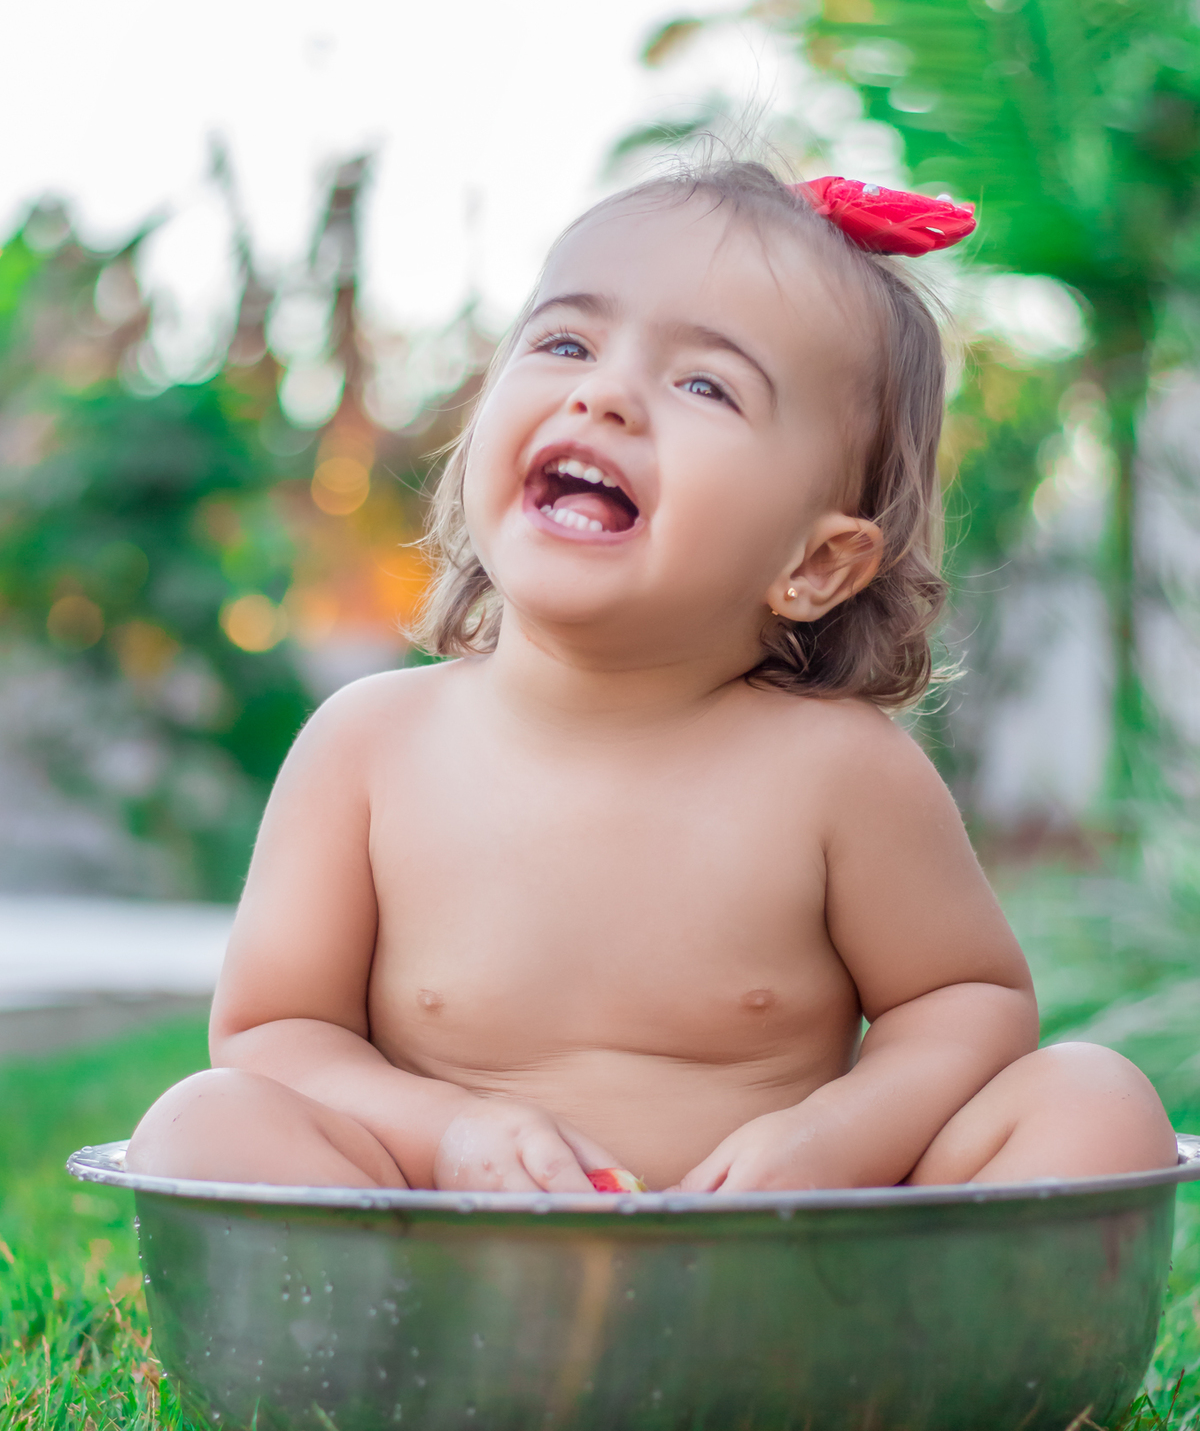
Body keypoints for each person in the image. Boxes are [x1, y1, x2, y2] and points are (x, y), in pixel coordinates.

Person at [127, 161, 1176, 1196]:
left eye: (705, 384)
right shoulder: (370, 746)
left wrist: (828, 1140)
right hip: (457, 1265)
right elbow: (273, 1031)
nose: (605, 394)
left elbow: (966, 1000)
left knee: (1093, 1100)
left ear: (813, 563)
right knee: (204, 1119)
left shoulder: (838, 769)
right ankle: (436, 1352)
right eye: (567, 340)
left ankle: (884, 1357)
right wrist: (446, 1132)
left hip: (778, 1273)